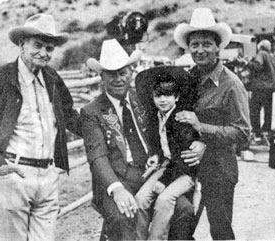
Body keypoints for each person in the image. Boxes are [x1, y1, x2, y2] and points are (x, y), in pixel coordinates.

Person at [0, 14, 81, 241]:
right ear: (22, 44)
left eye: (49, 48)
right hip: (13, 175)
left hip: (47, 176)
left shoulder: (52, 77)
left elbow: (70, 117)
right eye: (37, 45)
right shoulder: (0, 77)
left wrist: (107, 120)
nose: (43, 53)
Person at [81, 39, 205, 241]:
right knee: (123, 216)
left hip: (156, 171)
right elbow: (97, 157)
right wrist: (117, 188)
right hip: (120, 178)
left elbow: (174, 125)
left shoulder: (145, 98)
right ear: (101, 76)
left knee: (184, 208)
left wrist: (201, 142)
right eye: (111, 75)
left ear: (131, 71)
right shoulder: (92, 111)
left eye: (123, 73)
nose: (119, 79)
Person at [174, 8, 251, 240]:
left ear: (218, 47)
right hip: (189, 167)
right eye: (194, 45)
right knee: (183, 227)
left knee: (220, 230)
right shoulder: (188, 79)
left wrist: (201, 127)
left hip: (219, 169)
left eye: (206, 44)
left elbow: (243, 133)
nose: (200, 50)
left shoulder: (231, 84)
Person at [134, 66, 201, 240]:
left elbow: (182, 157)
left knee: (164, 200)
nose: (163, 100)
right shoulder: (157, 116)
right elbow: (159, 143)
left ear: (176, 97)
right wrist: (155, 154)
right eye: (158, 96)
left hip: (185, 171)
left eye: (168, 95)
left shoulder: (180, 119)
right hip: (168, 165)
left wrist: (164, 180)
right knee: (141, 199)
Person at [246, 39, 275, 140]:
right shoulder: (270, 55)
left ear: (260, 46)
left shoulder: (261, 53)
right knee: (268, 110)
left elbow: (258, 66)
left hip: (260, 87)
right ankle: (266, 130)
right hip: (270, 86)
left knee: (254, 109)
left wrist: (247, 62)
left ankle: (257, 132)